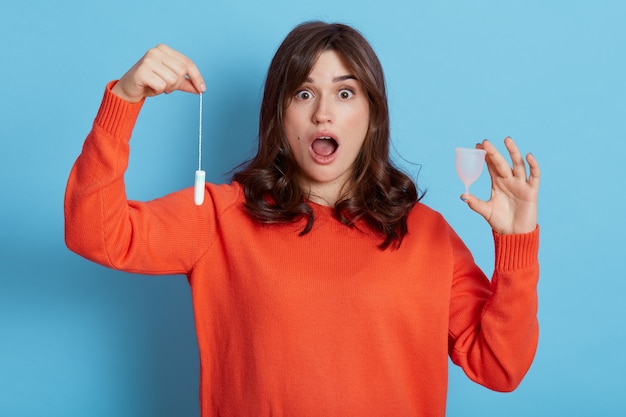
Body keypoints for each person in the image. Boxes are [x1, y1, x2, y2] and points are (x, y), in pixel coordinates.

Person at [64, 21, 540, 417]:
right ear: (280, 114)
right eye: (304, 94)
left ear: (372, 116)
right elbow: (94, 232)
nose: (324, 113)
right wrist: (124, 100)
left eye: (346, 93)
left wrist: (516, 246)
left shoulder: (428, 234)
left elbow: (500, 368)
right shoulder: (219, 218)